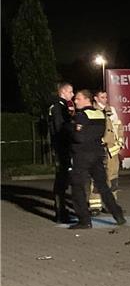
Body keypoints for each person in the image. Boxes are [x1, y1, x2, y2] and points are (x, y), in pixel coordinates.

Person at [68, 90, 126, 229]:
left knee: (77, 187)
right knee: (103, 186)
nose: (75, 101)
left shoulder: (81, 116)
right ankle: (118, 215)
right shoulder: (100, 114)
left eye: (78, 99)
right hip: (97, 154)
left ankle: (84, 220)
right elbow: (103, 133)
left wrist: (71, 130)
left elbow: (78, 137)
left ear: (87, 99)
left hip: (82, 156)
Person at [87, 90, 124, 214]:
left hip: (112, 152)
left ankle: (111, 205)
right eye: (102, 97)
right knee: (97, 179)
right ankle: (95, 206)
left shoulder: (111, 110)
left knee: (113, 179)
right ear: (96, 98)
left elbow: (118, 126)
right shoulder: (92, 111)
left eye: (106, 97)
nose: (105, 99)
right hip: (99, 150)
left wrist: (120, 142)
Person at [47, 82, 74, 223]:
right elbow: (60, 128)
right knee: (62, 180)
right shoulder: (59, 107)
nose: (73, 94)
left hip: (61, 147)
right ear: (63, 92)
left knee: (63, 179)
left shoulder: (59, 106)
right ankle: (60, 213)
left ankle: (62, 211)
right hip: (62, 148)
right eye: (70, 92)